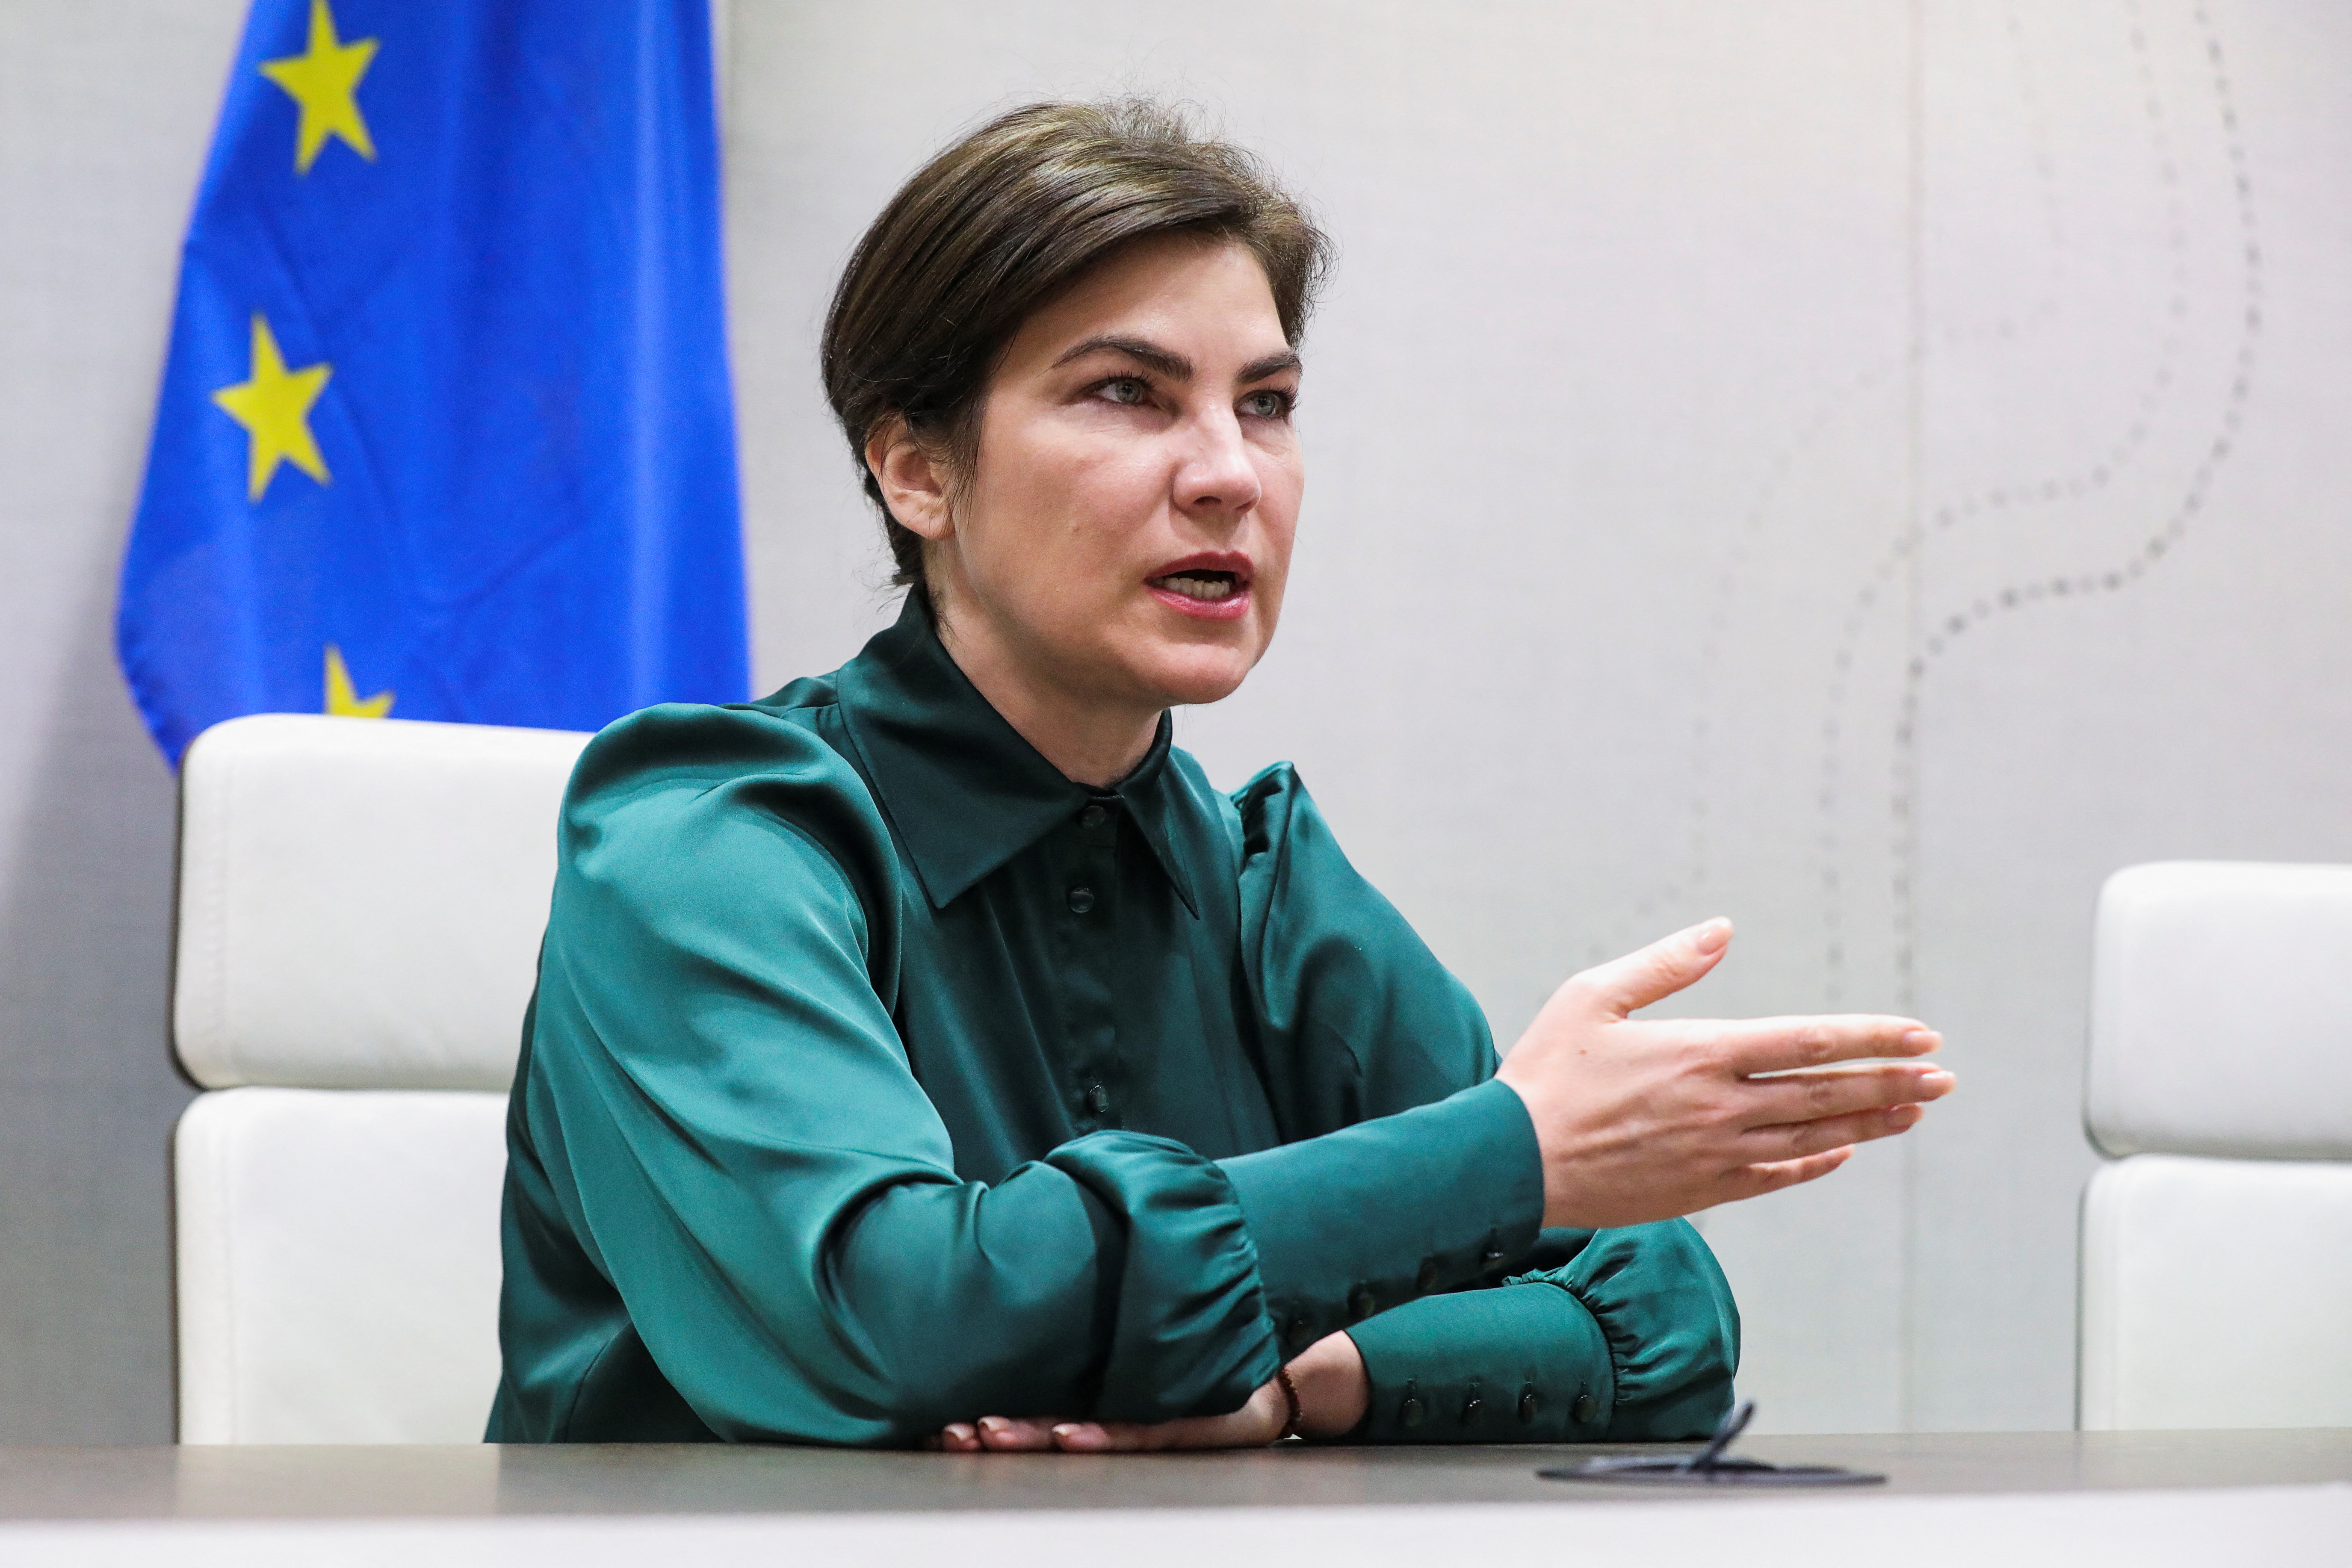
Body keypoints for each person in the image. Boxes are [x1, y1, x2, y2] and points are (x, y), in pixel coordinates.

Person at [488, 100, 1953, 1450]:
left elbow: (1660, 1314)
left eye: (1264, 402)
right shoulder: (709, 837)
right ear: (916, 471)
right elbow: (902, 1318)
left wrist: (1298, 1377)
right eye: (1127, 393)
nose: (1228, 474)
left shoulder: (1262, 885)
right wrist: (1503, 1152)